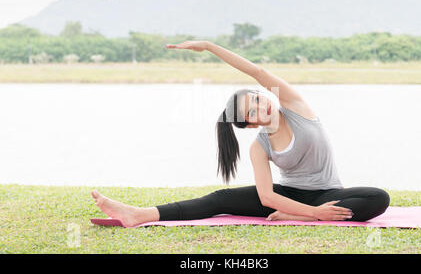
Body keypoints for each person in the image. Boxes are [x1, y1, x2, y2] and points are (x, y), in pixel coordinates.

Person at [91, 41, 390, 227]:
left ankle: (299, 215)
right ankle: (138, 214)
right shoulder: (259, 147)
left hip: (329, 192)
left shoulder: (296, 106)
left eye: (258, 100)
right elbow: (267, 196)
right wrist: (315, 214)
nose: (262, 108)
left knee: (378, 198)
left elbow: (257, 72)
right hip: (290, 196)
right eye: (252, 113)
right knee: (219, 199)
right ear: (249, 125)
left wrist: (209, 46)